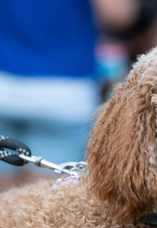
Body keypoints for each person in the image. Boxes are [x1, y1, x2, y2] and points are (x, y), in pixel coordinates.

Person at [0, 0, 137, 191]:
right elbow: (118, 13)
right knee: (43, 209)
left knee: (5, 207)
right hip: (65, 92)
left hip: (4, 83)